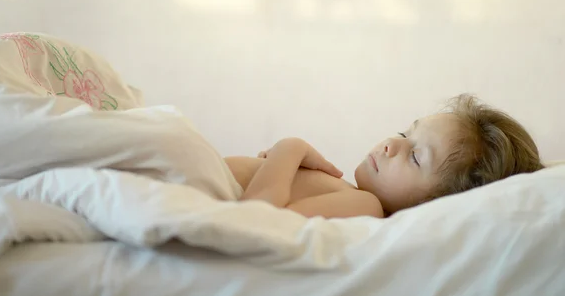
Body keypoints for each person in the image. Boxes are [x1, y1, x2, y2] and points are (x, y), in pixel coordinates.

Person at [224, 94, 544, 219]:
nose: (392, 144)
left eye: (416, 157)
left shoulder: (366, 206)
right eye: (406, 134)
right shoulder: (350, 193)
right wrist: (277, 168)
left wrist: (289, 149)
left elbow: (255, 219)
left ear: (433, 205)